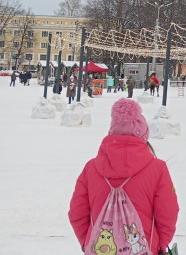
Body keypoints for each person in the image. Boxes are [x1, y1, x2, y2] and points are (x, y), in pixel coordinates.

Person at [68, 98, 179, 254]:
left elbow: (77, 213)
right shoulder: (157, 169)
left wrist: (86, 242)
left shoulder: (91, 169)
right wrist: (160, 245)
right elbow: (168, 213)